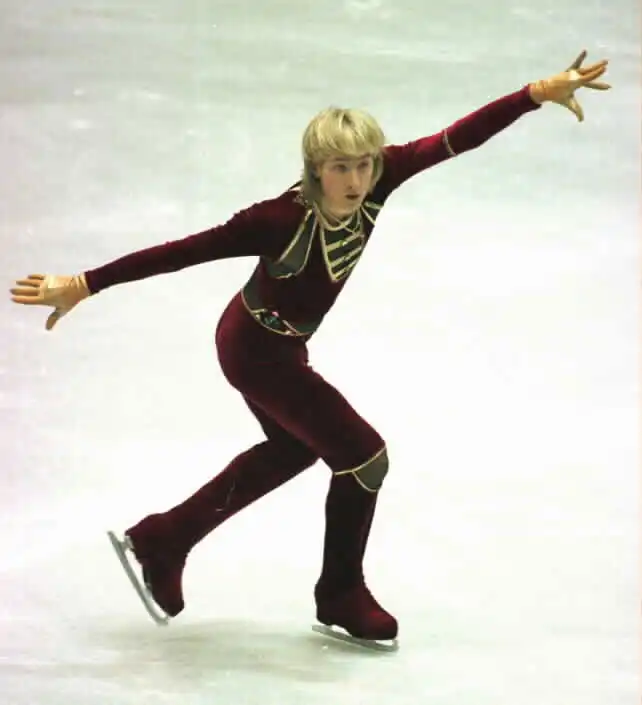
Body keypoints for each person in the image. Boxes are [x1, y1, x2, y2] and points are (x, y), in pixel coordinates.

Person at [9, 51, 609, 645]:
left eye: (365, 165)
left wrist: (532, 95)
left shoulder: (383, 177)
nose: (356, 181)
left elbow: (455, 139)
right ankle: (340, 591)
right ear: (316, 169)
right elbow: (182, 251)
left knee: (296, 449)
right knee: (365, 457)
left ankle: (165, 538)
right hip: (254, 349)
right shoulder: (277, 220)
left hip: (283, 347)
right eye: (341, 168)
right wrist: (85, 283)